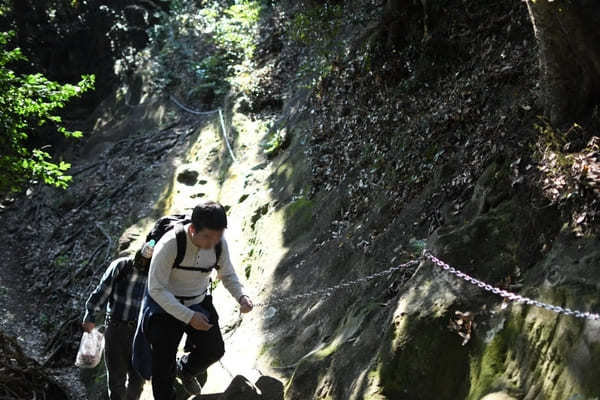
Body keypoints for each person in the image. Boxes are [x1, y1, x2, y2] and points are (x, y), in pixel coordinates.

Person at [143, 200, 253, 399]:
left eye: (218, 236)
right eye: (207, 237)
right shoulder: (170, 244)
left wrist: (241, 296)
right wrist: (188, 316)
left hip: (198, 301)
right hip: (164, 306)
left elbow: (227, 274)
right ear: (193, 229)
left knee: (214, 350)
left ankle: (185, 369)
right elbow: (156, 288)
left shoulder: (219, 244)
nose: (212, 243)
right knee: (162, 367)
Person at [82, 241, 154, 400]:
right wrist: (90, 314)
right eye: (142, 259)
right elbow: (102, 291)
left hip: (142, 333)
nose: (143, 264)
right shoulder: (122, 266)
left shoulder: (156, 273)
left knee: (138, 377)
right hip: (116, 329)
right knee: (116, 380)